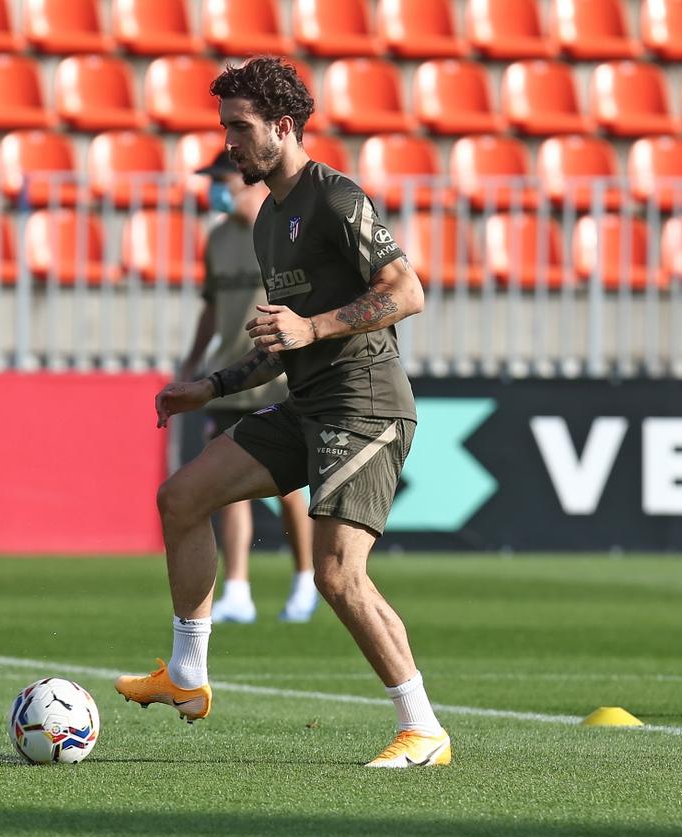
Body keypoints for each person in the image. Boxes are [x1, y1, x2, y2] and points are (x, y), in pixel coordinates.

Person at [116, 56, 450, 769]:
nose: (230, 142)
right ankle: (188, 673)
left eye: (240, 128)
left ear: (282, 126)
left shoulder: (335, 198)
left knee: (336, 574)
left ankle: (423, 729)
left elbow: (407, 289)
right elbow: (282, 336)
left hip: (364, 405)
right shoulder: (268, 216)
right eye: (225, 127)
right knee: (182, 496)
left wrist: (315, 327)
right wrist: (209, 386)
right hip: (307, 401)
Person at [179, 151, 318, 625]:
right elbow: (213, 308)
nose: (214, 189)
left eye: (219, 179)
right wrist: (193, 362)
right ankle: (237, 588)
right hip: (230, 375)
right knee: (225, 482)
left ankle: (305, 579)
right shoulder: (217, 239)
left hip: (273, 371)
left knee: (285, 489)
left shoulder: (277, 234)